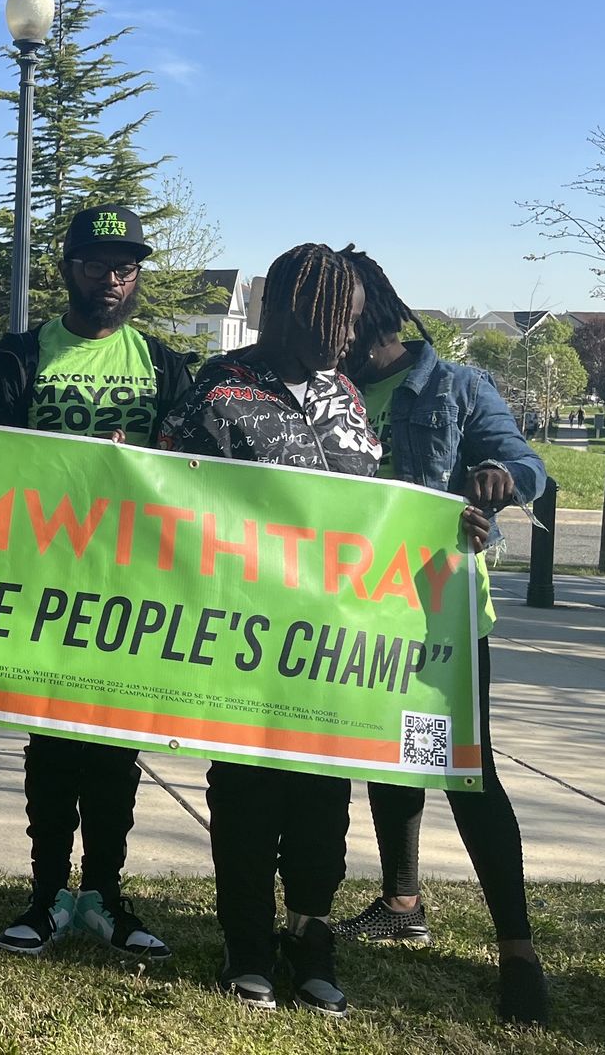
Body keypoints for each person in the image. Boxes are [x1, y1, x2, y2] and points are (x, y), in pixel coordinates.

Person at [330, 246, 551, 1025]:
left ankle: (518, 949)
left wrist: (502, 479)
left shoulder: (456, 385)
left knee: (466, 767)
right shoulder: (328, 390)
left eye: (344, 319)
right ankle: (402, 900)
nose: (334, 335)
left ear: (376, 314)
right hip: (354, 606)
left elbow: (528, 463)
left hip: (442, 610)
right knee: (387, 752)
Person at [0, 203, 190, 963]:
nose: (112, 279)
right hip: (47, 583)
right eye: (96, 264)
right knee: (53, 745)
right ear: (69, 268)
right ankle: (42, 895)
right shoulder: (23, 354)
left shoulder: (164, 363)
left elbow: (194, 467)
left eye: (126, 266)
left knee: (115, 752)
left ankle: (104, 893)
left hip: (134, 589)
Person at [161, 244, 371, 1018]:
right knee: (247, 795)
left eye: (351, 322)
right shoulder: (216, 395)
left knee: (323, 799)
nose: (346, 335)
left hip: (331, 643)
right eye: (333, 319)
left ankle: (311, 937)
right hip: (243, 639)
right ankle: (246, 941)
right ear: (282, 309)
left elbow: (377, 510)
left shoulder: (347, 396)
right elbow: (176, 515)